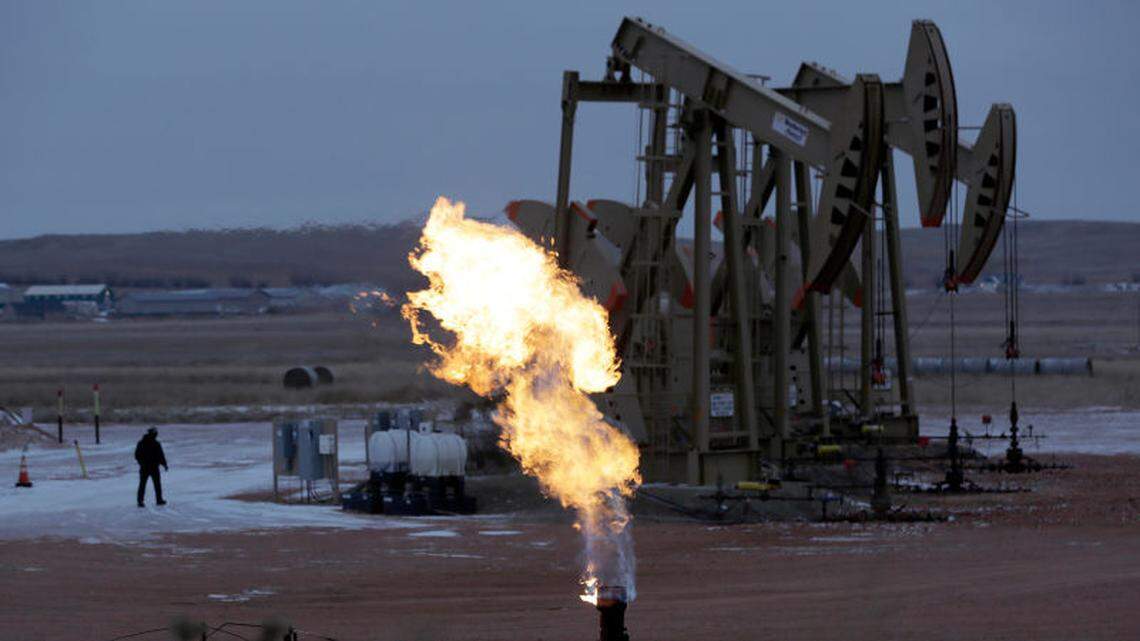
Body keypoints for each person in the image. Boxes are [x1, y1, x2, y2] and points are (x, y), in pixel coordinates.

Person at [135, 426, 168, 507]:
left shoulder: (141, 443)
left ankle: (140, 501)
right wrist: (164, 464)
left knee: (143, 484)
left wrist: (141, 463)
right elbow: (161, 456)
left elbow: (137, 455)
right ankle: (159, 500)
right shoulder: (156, 444)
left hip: (145, 467)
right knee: (156, 484)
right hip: (152, 467)